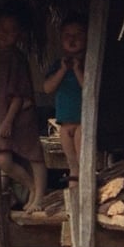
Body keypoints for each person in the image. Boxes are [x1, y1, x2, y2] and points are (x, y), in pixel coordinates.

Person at [0, 2, 47, 211]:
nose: (6, 35)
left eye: (11, 32)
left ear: (19, 35)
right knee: (2, 160)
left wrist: (8, 120)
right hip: (2, 119)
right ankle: (32, 188)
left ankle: (39, 197)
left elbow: (19, 96)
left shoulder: (16, 58)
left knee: (33, 154)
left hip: (17, 117)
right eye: (2, 30)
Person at [42, 16, 88, 181]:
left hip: (82, 123)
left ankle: (85, 192)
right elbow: (47, 88)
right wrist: (62, 70)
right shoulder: (58, 65)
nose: (73, 39)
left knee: (82, 164)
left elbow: (89, 89)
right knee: (72, 166)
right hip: (64, 124)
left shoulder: (88, 64)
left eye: (78, 35)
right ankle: (73, 193)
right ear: (61, 39)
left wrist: (77, 69)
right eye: (68, 35)